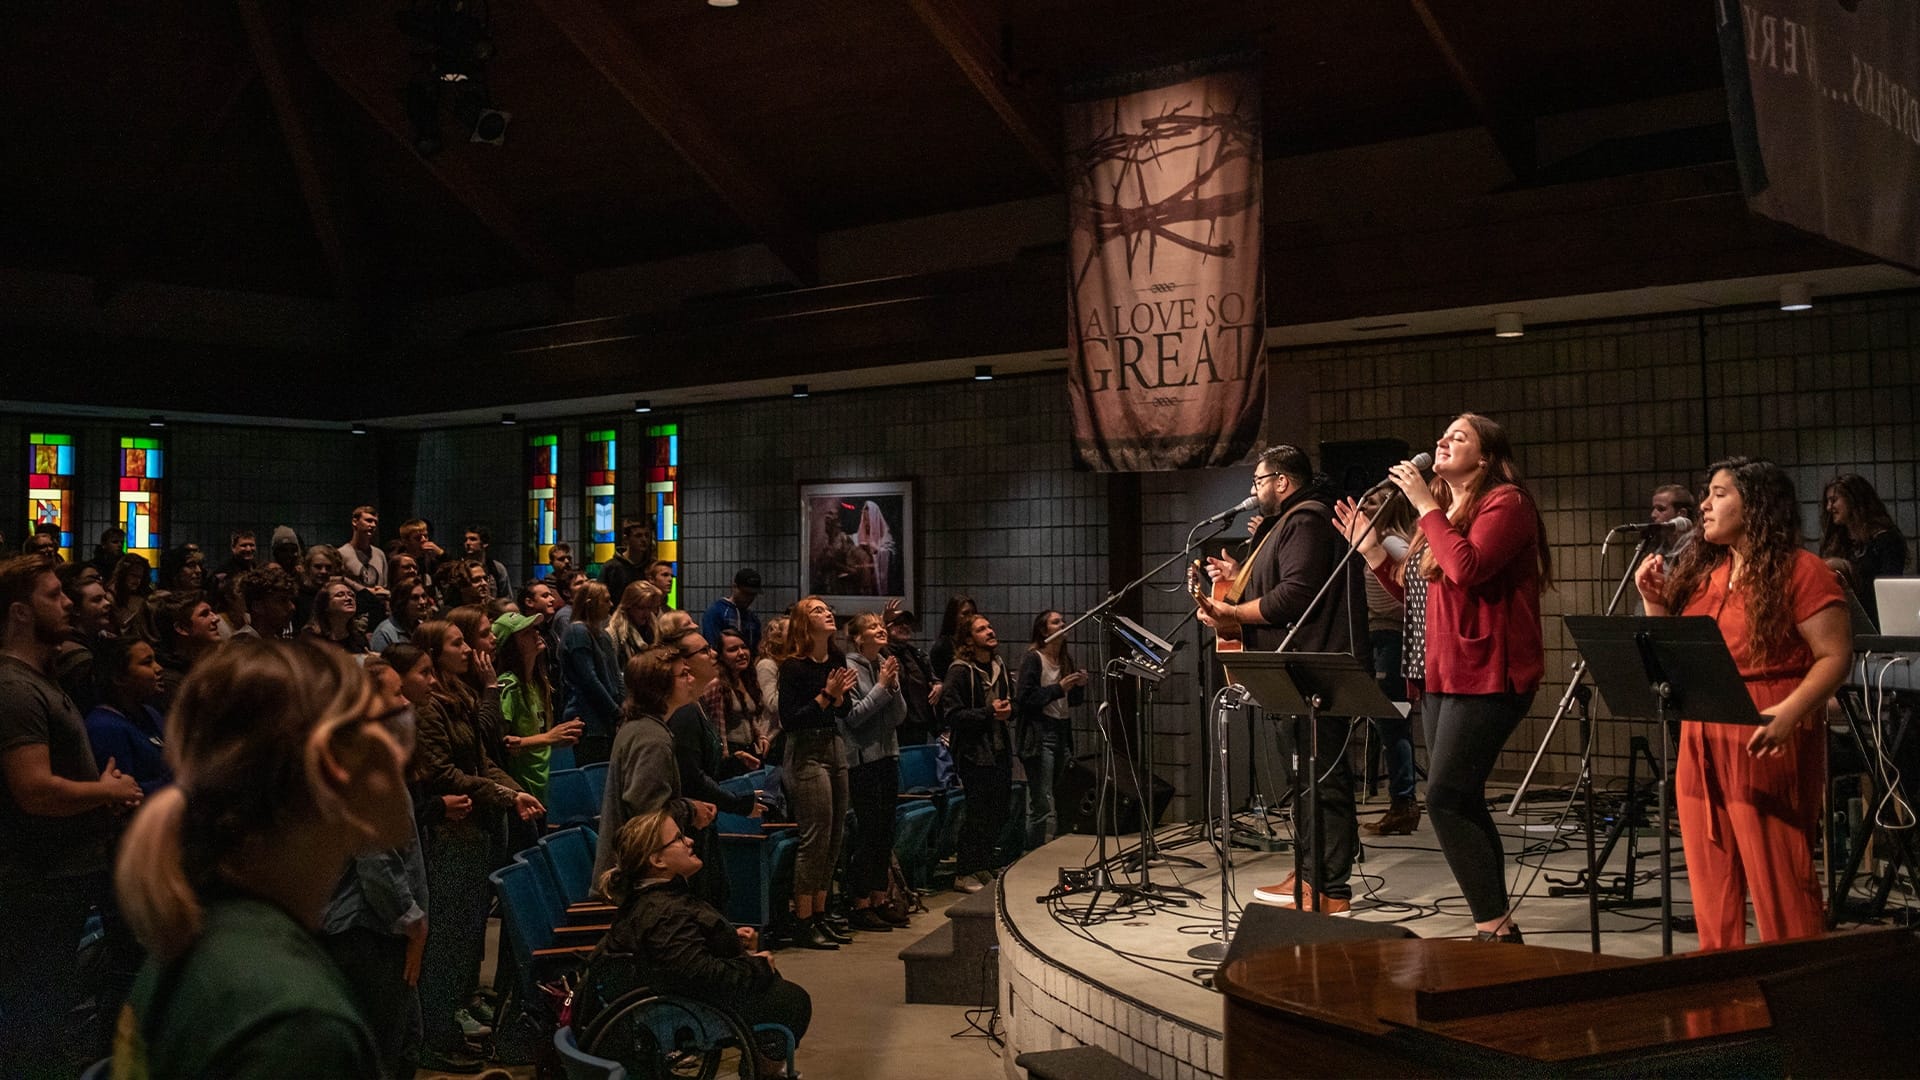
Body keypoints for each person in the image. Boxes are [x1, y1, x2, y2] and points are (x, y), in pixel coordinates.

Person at [108, 640, 410, 1078]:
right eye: (390, 725)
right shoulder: (296, 1024)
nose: (402, 748)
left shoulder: (200, 930)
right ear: (332, 765)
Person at [1336, 413, 1549, 943]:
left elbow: (1467, 569)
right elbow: (1422, 595)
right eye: (1443, 435)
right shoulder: (1445, 510)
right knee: (1462, 797)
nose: (1442, 441)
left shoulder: (1506, 503)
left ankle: (1494, 925)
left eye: (1459, 437)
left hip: (1487, 671)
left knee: (1447, 796)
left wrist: (1426, 507)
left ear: (1486, 456)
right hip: (1438, 672)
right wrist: (1372, 551)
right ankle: (1498, 926)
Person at [1637, 458, 1850, 950]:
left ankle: (1798, 979)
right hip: (1703, 731)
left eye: (1719, 494)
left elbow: (1835, 655)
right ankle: (1721, 978)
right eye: (1706, 495)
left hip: (1764, 726)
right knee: (1711, 876)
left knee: (1779, 875)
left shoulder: (1802, 571)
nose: (1704, 506)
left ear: (1755, 506)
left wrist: (1790, 712)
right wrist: (1655, 603)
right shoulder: (1706, 574)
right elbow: (1677, 660)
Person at [1199, 445, 1367, 913]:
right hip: (1293, 671)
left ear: (1281, 481)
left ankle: (1329, 889)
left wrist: (1233, 613)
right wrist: (1240, 576)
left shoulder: (1306, 519)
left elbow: (1295, 595)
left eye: (1258, 481)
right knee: (1306, 780)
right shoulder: (1289, 522)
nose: (1253, 490)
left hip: (1313, 669)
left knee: (1322, 780)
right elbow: (1282, 584)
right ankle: (1309, 872)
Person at [0, 555, 143, 1078]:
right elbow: (34, 790)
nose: (67, 603)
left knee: (53, 1012)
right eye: (54, 595)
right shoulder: (14, 687)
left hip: (60, 873)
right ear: (20, 612)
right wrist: (104, 790)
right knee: (33, 1022)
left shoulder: (40, 677)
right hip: (38, 879)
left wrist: (97, 789)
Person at [575, 811, 811, 1080]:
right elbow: (695, 972)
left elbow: (681, 950)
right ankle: (764, 1072)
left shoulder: (656, 898)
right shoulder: (665, 913)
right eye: (678, 838)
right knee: (791, 1000)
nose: (689, 841)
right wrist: (755, 967)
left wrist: (729, 940)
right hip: (678, 1007)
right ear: (657, 860)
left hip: (673, 994)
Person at [412, 618, 543, 1067]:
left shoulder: (460, 695)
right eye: (457, 644)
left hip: (476, 830)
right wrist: (503, 795)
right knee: (448, 941)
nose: (468, 649)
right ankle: (434, 1038)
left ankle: (449, 1023)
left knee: (467, 938)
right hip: (452, 836)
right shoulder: (430, 708)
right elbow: (443, 773)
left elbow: (483, 760)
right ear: (434, 653)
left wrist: (514, 792)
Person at [319, 656, 429, 1079]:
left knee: (404, 1043)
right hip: (367, 934)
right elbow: (376, 860)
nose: (406, 703)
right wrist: (412, 921)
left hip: (377, 930)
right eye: (395, 694)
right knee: (383, 1056)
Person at [592, 646, 714, 893]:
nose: (691, 679)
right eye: (684, 674)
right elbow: (648, 813)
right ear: (659, 686)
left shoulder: (643, 728)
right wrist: (691, 810)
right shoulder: (652, 738)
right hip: (638, 881)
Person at [660, 624, 759, 911]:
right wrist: (740, 805)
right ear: (684, 664)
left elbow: (702, 766)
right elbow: (690, 778)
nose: (713, 654)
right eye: (704, 651)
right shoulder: (684, 712)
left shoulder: (696, 704)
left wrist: (731, 763)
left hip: (702, 820)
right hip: (690, 825)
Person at [776, 597, 855, 947]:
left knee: (836, 834)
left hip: (833, 744)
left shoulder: (836, 659)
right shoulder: (793, 667)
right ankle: (803, 920)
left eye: (827, 609)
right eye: (818, 611)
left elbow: (845, 710)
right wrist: (827, 696)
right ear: (803, 623)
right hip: (805, 751)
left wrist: (837, 698)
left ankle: (822, 913)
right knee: (816, 837)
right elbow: (790, 720)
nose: (828, 614)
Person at [841, 611, 909, 930]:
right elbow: (854, 717)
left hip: (888, 753)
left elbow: (898, 716)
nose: (880, 629)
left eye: (881, 625)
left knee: (885, 830)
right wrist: (881, 687)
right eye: (872, 626)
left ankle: (880, 898)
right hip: (863, 759)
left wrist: (892, 687)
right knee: (868, 832)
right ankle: (860, 902)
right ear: (858, 638)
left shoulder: (884, 663)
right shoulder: (848, 668)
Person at [939, 613, 1014, 894]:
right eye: (982, 629)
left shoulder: (998, 665)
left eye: (990, 627)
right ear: (969, 640)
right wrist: (988, 712)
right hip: (974, 752)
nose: (990, 631)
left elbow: (1012, 700)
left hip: (999, 748)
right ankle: (964, 871)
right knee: (977, 813)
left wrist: (1009, 711)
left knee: (999, 810)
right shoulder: (959, 671)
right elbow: (952, 714)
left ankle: (982, 864)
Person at [1361, 491, 1422, 837]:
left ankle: (1403, 802)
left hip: (1393, 639)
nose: (1364, 505)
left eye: (1373, 501)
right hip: (1382, 637)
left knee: (1392, 721)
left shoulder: (1393, 544)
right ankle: (1401, 801)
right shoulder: (1382, 542)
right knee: (1389, 721)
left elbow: (1413, 592)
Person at [1015, 610, 1088, 849]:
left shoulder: (1065, 660)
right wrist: (1058, 689)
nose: (1063, 625)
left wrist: (1079, 686)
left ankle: (1060, 845)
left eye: (1062, 621)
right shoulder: (1034, 659)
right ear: (1043, 630)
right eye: (1056, 622)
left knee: (1064, 793)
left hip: (1062, 730)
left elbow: (1072, 701)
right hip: (1040, 733)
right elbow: (1025, 698)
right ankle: (1032, 849)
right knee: (1042, 800)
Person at [494, 611, 582, 804]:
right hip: (522, 788)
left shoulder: (538, 683)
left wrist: (560, 738)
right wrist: (549, 737)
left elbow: (534, 736)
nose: (536, 633)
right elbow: (504, 744)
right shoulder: (509, 685)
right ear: (510, 646)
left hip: (543, 784)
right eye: (526, 633)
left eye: (534, 628)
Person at [84, 636, 173, 796]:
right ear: (119, 677)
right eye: (147, 663)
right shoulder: (104, 728)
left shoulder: (149, 712)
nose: (159, 668)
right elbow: (127, 794)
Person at [1819, 473, 1910, 627]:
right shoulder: (1838, 540)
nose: (1829, 507)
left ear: (1852, 499)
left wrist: (1849, 569)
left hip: (1879, 623)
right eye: (1827, 502)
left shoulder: (1886, 540)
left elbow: (1889, 589)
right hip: (1843, 622)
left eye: (1834, 500)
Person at [562, 581, 625, 766]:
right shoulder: (578, 632)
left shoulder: (602, 635)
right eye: (606, 600)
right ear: (590, 603)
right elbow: (589, 679)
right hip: (588, 719)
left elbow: (615, 674)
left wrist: (622, 705)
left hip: (606, 718)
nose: (611, 605)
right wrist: (615, 710)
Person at [703, 627, 768, 777]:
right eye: (732, 650)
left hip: (751, 750)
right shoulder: (717, 684)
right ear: (721, 655)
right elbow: (716, 726)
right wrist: (725, 759)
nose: (741, 653)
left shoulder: (746, 678)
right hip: (731, 755)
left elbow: (750, 715)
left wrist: (761, 737)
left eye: (744, 647)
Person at [56, 562, 116, 714]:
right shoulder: (77, 658)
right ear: (75, 609)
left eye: (105, 597)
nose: (107, 603)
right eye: (97, 600)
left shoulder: (99, 641)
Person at [152, 591, 221, 713]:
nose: (216, 618)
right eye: (205, 614)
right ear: (182, 628)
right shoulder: (170, 682)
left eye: (212, 612)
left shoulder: (208, 664)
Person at [883, 608, 939, 746]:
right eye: (898, 622)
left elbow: (932, 677)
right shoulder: (881, 654)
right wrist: (881, 623)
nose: (904, 626)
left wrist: (938, 685)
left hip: (919, 726)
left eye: (907, 622)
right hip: (895, 728)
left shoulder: (917, 654)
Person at [701, 567, 764, 656]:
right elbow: (712, 644)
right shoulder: (716, 612)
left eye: (752, 594)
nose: (749, 598)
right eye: (745, 593)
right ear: (734, 587)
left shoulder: (753, 619)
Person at [232, 564, 300, 643]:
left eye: (290, 600)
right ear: (257, 606)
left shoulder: (272, 639)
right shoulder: (242, 644)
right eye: (282, 600)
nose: (292, 607)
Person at [301, 579, 369, 654]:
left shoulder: (358, 638)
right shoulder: (311, 638)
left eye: (351, 595)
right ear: (325, 605)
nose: (349, 598)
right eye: (340, 595)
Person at [597, 519, 652, 608]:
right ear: (626, 539)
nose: (644, 539)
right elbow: (600, 596)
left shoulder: (651, 566)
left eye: (647, 535)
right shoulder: (611, 567)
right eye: (638, 536)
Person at [754, 615, 789, 751]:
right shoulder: (767, 665)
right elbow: (772, 704)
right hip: (771, 738)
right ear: (779, 637)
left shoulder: (784, 664)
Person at [610, 580, 663, 667]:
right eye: (641, 608)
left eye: (649, 608)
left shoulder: (654, 628)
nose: (646, 613)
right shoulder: (615, 634)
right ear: (628, 606)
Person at [372, 580, 433, 654]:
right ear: (402, 603)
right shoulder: (384, 633)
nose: (422, 602)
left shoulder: (421, 628)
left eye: (423, 596)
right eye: (415, 598)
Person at [929, 594, 976, 687]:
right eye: (965, 613)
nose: (971, 617)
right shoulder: (942, 647)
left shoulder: (976, 642)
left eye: (973, 613)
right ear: (954, 616)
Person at [340, 506, 389, 591]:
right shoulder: (342, 554)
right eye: (369, 521)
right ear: (355, 522)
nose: (373, 525)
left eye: (375, 522)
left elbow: (384, 584)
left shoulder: (379, 554)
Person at [109, 553, 155, 642]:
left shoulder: (140, 595)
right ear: (123, 574)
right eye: (133, 575)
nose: (137, 581)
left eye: (140, 577)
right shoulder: (110, 596)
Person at [856, 502, 897, 595]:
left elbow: (891, 555)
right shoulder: (858, 536)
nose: (866, 523)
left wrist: (876, 550)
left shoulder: (886, 536)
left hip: (877, 579)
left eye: (868, 519)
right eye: (864, 519)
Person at [462, 526, 512, 600]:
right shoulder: (459, 568)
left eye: (473, 539)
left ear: (484, 543)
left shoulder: (496, 568)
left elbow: (506, 598)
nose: (468, 543)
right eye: (465, 540)